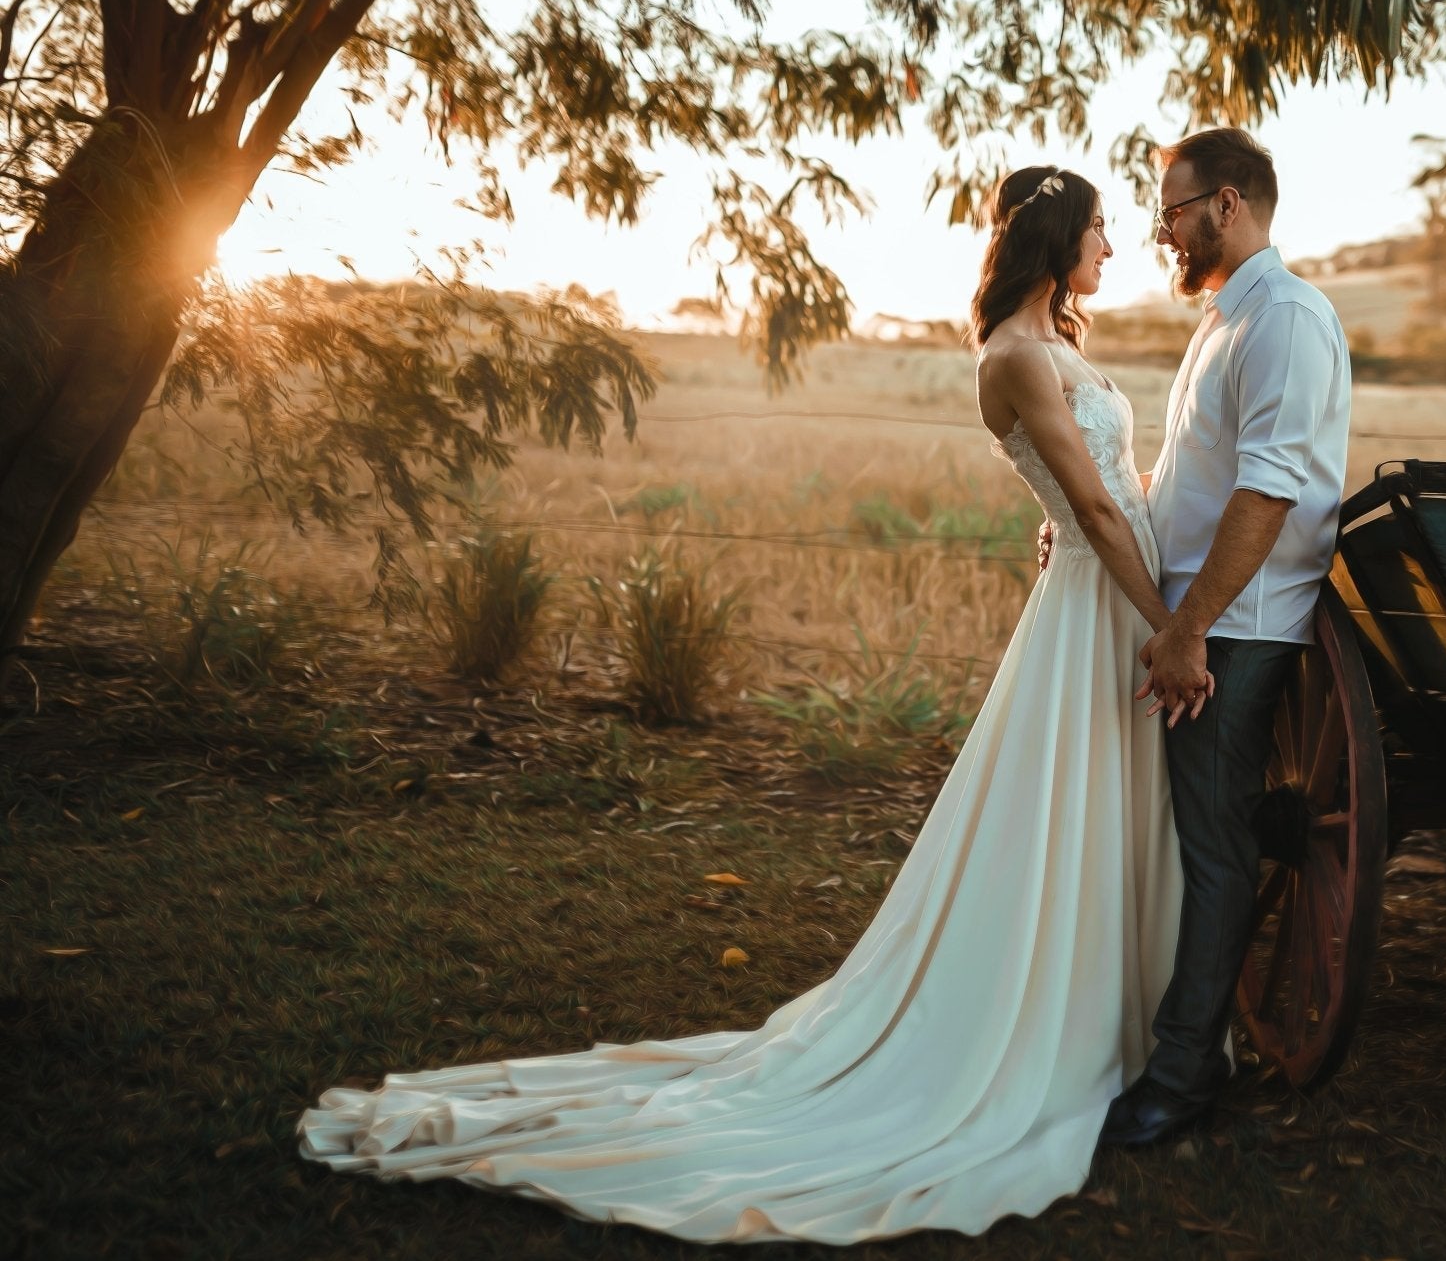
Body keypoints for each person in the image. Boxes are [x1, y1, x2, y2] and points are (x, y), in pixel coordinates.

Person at [297, 165, 1194, 1245]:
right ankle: (1048, 1026)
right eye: (1100, 232)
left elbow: (1093, 489)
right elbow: (1088, 497)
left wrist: (1098, 548)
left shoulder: (1057, 342)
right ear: (1056, 240)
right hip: (1104, 603)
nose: (1114, 249)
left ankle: (1123, 1012)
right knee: (1068, 801)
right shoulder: (1010, 355)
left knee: (1108, 802)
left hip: (1105, 583)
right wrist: (1164, 623)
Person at [1098, 127, 1352, 1148]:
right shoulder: (1226, 317)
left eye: (1171, 210)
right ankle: (1177, 1042)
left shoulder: (1284, 319)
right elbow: (1197, 476)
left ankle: (1181, 1075)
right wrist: (1103, 524)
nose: (1160, 231)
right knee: (1196, 843)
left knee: (1213, 850)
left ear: (1227, 203)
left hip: (1236, 629)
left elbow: (1265, 492)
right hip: (1203, 617)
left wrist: (1188, 629)